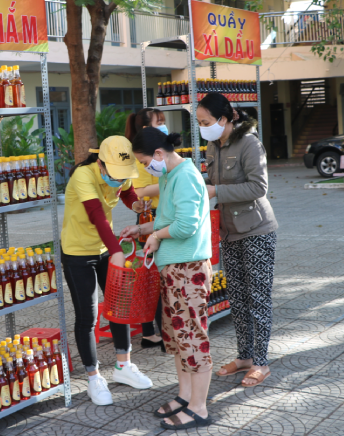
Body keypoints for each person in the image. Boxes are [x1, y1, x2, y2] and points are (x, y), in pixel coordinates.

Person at [121, 127, 213, 430]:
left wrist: (157, 236)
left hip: (189, 269)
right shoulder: (169, 176)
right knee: (176, 338)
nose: (147, 168)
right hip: (175, 270)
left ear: (159, 154)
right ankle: (185, 396)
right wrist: (144, 230)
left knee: (193, 339)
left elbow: (186, 226)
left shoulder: (185, 176)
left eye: (146, 162)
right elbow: (168, 220)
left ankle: (199, 408)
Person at [61, 135, 153, 406]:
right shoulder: (82, 176)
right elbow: (96, 215)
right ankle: (93, 378)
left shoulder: (119, 171)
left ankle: (123, 367)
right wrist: (116, 251)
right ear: (101, 163)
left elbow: (126, 191)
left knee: (120, 306)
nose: (118, 177)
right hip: (78, 252)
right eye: (113, 173)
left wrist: (136, 204)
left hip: (105, 249)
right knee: (87, 317)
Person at [197, 92, 278, 387]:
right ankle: (244, 356)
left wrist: (216, 191)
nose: (203, 127)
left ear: (224, 118)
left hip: (257, 230)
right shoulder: (212, 146)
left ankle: (261, 362)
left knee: (258, 298)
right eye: (200, 123)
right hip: (229, 232)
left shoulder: (250, 143)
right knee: (238, 300)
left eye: (206, 122)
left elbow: (258, 187)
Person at [125, 108, 166, 350]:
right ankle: (154, 332)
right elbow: (139, 191)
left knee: (155, 275)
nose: (162, 126)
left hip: (160, 216)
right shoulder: (140, 156)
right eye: (157, 122)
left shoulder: (158, 150)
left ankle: (152, 332)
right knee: (154, 275)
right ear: (144, 129)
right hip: (152, 217)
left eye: (163, 122)